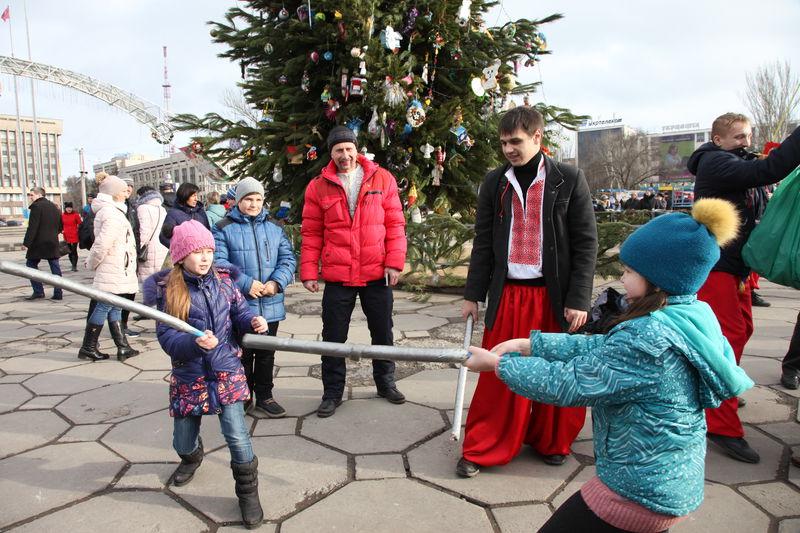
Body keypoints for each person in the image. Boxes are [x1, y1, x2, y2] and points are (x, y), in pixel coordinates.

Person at [464, 199, 753, 532]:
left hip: (637, 490)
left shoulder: (648, 338)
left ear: (658, 280)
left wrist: (500, 365)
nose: (622, 276)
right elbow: (603, 347)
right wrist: (532, 344)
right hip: (674, 479)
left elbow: (569, 383)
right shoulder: (688, 316)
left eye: (630, 271)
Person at [458, 106, 598, 477]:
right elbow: (484, 242)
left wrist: (579, 299)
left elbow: (586, 243)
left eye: (515, 141)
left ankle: (551, 441)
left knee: (555, 369)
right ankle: (484, 445)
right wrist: (473, 295)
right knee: (498, 375)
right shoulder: (494, 182)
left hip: (553, 297)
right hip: (509, 295)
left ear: (537, 138)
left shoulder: (569, 179)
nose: (508, 149)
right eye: (503, 143)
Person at [688, 113, 800, 463]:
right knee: (725, 340)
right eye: (738, 137)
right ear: (717, 139)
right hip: (715, 268)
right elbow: (767, 171)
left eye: (748, 136)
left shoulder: (733, 160)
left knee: (741, 330)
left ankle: (720, 395)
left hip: (735, 268)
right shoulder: (715, 163)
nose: (746, 143)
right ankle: (719, 422)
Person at [143, 220, 265, 529]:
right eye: (197, 251)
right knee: (182, 440)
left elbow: (240, 313)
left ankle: (248, 494)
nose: (205, 257)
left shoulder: (224, 282)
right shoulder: (170, 290)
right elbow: (168, 339)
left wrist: (252, 322)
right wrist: (194, 343)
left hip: (226, 370)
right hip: (191, 375)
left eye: (209, 250)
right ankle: (190, 457)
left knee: (238, 437)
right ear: (181, 255)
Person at [300, 125, 407, 418]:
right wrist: (309, 270)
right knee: (333, 337)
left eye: (348, 149)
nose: (344, 155)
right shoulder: (318, 186)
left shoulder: (382, 178)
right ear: (331, 154)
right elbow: (311, 232)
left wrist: (395, 262)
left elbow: (395, 225)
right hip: (338, 275)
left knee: (382, 333)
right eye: (338, 150)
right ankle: (332, 392)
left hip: (376, 273)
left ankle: (385, 383)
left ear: (356, 150)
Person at [213, 177, 296, 417]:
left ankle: (265, 396)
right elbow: (218, 261)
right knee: (243, 352)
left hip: (270, 302)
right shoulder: (223, 227)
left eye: (258, 199)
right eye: (248, 199)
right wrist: (246, 283)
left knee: (266, 353)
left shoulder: (274, 227)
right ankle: (243, 394)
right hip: (240, 304)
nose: (254, 204)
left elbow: (288, 259)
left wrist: (276, 283)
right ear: (238, 201)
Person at [78, 175, 139, 361]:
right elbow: (102, 244)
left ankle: (122, 346)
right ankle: (88, 347)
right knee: (104, 306)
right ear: (113, 193)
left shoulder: (112, 211)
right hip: (113, 267)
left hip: (117, 265)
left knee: (115, 307)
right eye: (122, 190)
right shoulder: (111, 213)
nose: (126, 193)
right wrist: (92, 262)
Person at [23, 187, 63, 300]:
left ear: (39, 195)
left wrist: (27, 243)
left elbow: (33, 227)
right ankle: (58, 292)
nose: (30, 197)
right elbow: (60, 226)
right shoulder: (54, 207)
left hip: (38, 243)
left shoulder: (36, 207)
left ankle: (38, 291)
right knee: (55, 267)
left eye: (31, 195)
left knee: (30, 265)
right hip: (52, 242)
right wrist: (52, 234)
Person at [160, 182, 210, 248]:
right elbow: (164, 238)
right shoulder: (173, 214)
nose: (196, 199)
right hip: (183, 256)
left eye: (197, 196)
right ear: (185, 196)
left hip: (201, 253)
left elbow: (208, 232)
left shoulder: (201, 212)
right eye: (193, 196)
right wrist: (181, 249)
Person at [136, 185, 168, 283]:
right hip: (162, 247)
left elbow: (144, 231)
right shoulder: (162, 209)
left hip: (148, 249)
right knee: (160, 280)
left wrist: (138, 249)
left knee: (148, 282)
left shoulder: (142, 208)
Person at [61, 201, 81, 272]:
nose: (69, 209)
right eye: (68, 208)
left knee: (74, 250)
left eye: (70, 208)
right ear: (65, 208)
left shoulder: (75, 214)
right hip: (66, 235)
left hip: (74, 234)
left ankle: (74, 266)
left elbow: (80, 223)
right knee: (69, 251)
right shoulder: (63, 215)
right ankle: (72, 263)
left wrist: (79, 230)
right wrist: (61, 230)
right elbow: (60, 224)